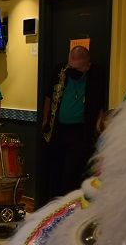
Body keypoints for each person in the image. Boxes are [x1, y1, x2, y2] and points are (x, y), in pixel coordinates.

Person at [41, 45, 107, 199]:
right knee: (55, 171)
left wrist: (99, 122)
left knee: (71, 174)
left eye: (78, 69)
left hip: (81, 132)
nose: (73, 71)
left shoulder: (96, 75)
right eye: (71, 66)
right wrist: (45, 119)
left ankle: (70, 206)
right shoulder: (61, 71)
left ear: (87, 65)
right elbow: (48, 96)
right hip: (58, 130)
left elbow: (101, 103)